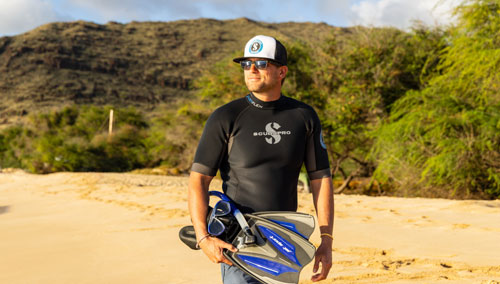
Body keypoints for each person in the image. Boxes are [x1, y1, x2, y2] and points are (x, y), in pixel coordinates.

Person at [188, 35, 334, 283]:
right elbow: (198, 180)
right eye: (247, 64)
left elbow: (321, 180)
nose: (252, 70)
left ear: (282, 71)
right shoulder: (226, 117)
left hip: (284, 240)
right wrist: (204, 238)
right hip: (237, 241)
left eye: (262, 63)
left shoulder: (304, 117)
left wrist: (326, 240)